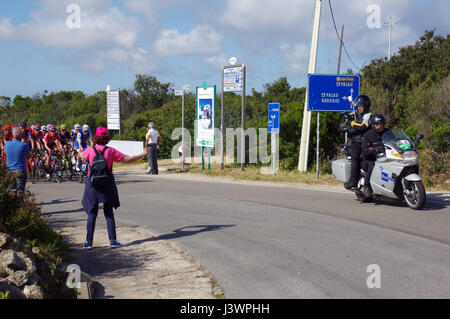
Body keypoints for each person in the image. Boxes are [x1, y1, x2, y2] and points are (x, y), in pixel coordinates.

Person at [78, 127, 149, 250]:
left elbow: (81, 157)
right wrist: (141, 155)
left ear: (95, 137)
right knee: (108, 212)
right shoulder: (110, 151)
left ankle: (88, 242)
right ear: (106, 138)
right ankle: (113, 241)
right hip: (107, 182)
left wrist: (79, 152)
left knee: (92, 212)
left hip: (92, 183)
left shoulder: (89, 150)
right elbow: (127, 160)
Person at [341, 95, 372, 190]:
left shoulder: (368, 116)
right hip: (358, 141)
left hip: (362, 141)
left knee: (355, 157)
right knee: (355, 158)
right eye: (358, 106)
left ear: (366, 106)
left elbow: (362, 126)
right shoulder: (359, 116)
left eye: (361, 106)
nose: (358, 108)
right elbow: (354, 127)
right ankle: (354, 181)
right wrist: (346, 127)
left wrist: (352, 124)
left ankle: (353, 182)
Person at [361, 114, 390, 193]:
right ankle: (366, 186)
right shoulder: (368, 135)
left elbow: (394, 140)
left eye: (381, 124)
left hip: (384, 156)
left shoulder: (387, 132)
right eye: (377, 125)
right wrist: (372, 150)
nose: (380, 126)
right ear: (373, 125)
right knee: (373, 166)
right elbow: (364, 149)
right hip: (370, 158)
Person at [4, 127, 30, 197]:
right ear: (21, 135)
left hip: (9, 170)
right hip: (20, 170)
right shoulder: (25, 145)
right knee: (20, 191)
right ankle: (20, 204)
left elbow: (5, 153)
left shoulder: (7, 144)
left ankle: (14, 205)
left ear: (12, 135)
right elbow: (28, 157)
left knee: (13, 190)